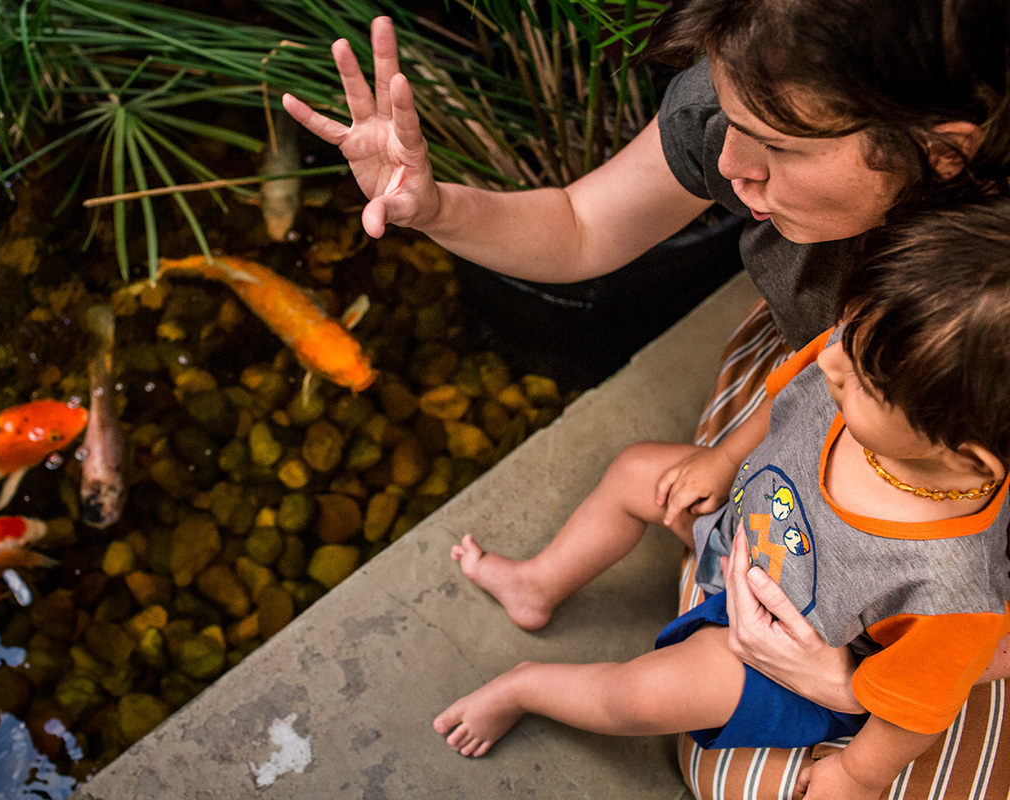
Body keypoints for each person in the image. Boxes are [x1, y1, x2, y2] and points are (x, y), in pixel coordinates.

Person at [281, 2, 1010, 794]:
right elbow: (580, 224)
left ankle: (545, 681)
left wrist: (847, 689)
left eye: (778, 146)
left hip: (887, 577)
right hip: (795, 491)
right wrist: (436, 207)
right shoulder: (773, 83)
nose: (731, 165)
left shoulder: (958, 512)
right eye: (730, 117)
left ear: (942, 150)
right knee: (650, 478)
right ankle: (540, 583)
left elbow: (958, 627)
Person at [431, 197, 1010, 800]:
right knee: (637, 472)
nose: (830, 357)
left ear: (968, 457)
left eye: (862, 377)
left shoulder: (953, 590)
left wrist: (857, 776)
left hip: (792, 651)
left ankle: (525, 687)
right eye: (848, 327)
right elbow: (786, 403)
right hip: (741, 531)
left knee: (643, 695)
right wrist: (723, 458)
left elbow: (913, 708)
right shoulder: (851, 357)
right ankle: (538, 584)